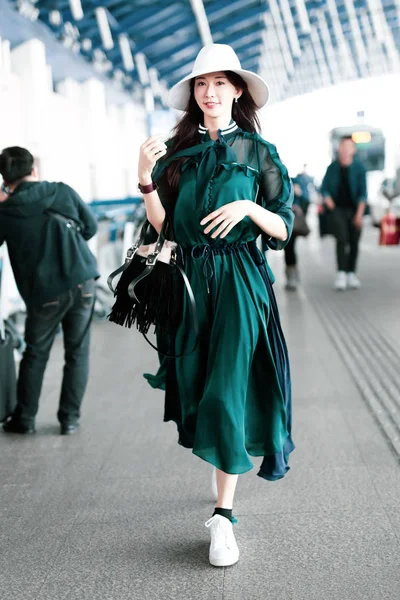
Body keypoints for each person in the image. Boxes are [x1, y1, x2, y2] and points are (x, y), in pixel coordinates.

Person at [137, 44, 294, 567]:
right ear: (194, 95)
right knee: (203, 386)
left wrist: (251, 205)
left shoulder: (258, 152)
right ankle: (222, 467)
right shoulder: (176, 155)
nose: (210, 93)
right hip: (190, 284)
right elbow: (166, 228)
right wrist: (143, 178)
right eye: (201, 85)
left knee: (227, 389)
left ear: (238, 91)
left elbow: (284, 226)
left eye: (220, 83)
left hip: (241, 280)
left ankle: (223, 519)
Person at [0, 147, 99, 435]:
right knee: (77, 352)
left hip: (44, 292)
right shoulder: (61, 192)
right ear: (34, 170)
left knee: (35, 353)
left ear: (5, 178)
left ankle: (25, 419)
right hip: (83, 281)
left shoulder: (5, 211)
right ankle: (69, 420)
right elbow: (90, 227)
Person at [321, 136, 367, 290]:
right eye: (343, 146)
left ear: (353, 150)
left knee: (354, 242)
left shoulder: (359, 168)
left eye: (349, 147)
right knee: (341, 239)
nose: (345, 150)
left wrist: (359, 215)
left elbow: (363, 194)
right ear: (339, 148)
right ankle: (341, 272)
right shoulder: (332, 167)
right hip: (337, 210)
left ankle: (351, 273)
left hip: (355, 210)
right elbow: (324, 188)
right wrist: (329, 201)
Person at [284, 181, 306, 290]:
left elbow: (306, 199)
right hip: (281, 220)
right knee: (288, 248)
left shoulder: (296, 182)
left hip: (292, 222)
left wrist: (299, 194)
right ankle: (292, 275)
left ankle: (292, 275)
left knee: (290, 248)